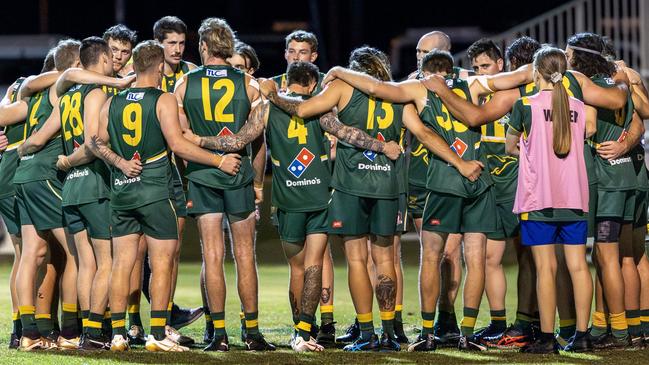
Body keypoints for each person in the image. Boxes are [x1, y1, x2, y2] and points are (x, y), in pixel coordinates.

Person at [261, 46, 484, 352]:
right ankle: (390, 332)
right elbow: (423, 133)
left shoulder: (342, 87)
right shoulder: (398, 97)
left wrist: (272, 94)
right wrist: (459, 162)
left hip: (352, 186)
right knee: (385, 260)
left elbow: (301, 110)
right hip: (388, 186)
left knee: (356, 259)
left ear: (356, 69)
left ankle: (366, 333)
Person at [186, 60, 401, 351]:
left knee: (297, 269)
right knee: (315, 265)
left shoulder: (266, 109)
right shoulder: (321, 108)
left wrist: (199, 139)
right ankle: (304, 333)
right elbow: (349, 134)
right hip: (319, 198)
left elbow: (238, 140)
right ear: (313, 84)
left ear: (287, 83)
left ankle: (297, 332)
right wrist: (382, 146)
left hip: (287, 199)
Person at [87, 39, 240, 352]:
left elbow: (96, 142)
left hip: (122, 193)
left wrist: (120, 163)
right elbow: (179, 145)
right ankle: (157, 333)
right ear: (158, 67)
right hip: (156, 192)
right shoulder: (163, 98)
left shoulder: (112, 102)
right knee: (162, 264)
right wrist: (219, 160)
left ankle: (117, 335)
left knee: (122, 264)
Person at [19, 37, 131, 350]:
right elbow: (93, 144)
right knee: (106, 261)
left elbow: (40, 136)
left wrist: (22, 151)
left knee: (84, 262)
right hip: (93, 184)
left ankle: (80, 333)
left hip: (70, 186)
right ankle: (93, 333)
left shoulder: (66, 95)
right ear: (106, 58)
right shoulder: (95, 93)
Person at [174, 17, 274, 351]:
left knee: (212, 256)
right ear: (228, 46)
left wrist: (205, 145)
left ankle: (217, 334)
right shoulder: (248, 84)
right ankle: (253, 332)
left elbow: (183, 140)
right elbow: (257, 135)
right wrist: (256, 181)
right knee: (245, 255)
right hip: (239, 175)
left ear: (202, 46)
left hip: (202, 177)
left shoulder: (184, 85)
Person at [506, 46, 596, 354]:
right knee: (578, 267)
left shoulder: (524, 105)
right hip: (574, 198)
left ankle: (546, 338)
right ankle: (582, 336)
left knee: (546, 269)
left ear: (535, 72)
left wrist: (533, 156)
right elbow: (584, 135)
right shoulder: (580, 107)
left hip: (539, 199)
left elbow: (510, 147)